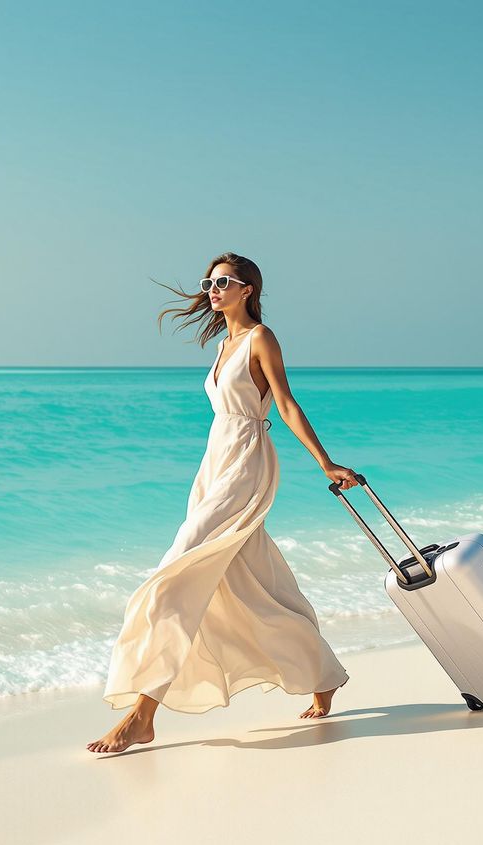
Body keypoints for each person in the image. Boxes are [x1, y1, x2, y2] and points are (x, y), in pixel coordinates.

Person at [86, 252, 360, 754]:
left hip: (245, 462)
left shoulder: (260, 338)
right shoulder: (222, 343)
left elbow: (285, 403)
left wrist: (326, 463)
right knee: (250, 583)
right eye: (209, 283)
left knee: (176, 576)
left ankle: (142, 715)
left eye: (224, 282)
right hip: (214, 462)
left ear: (248, 290)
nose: (213, 290)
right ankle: (323, 674)